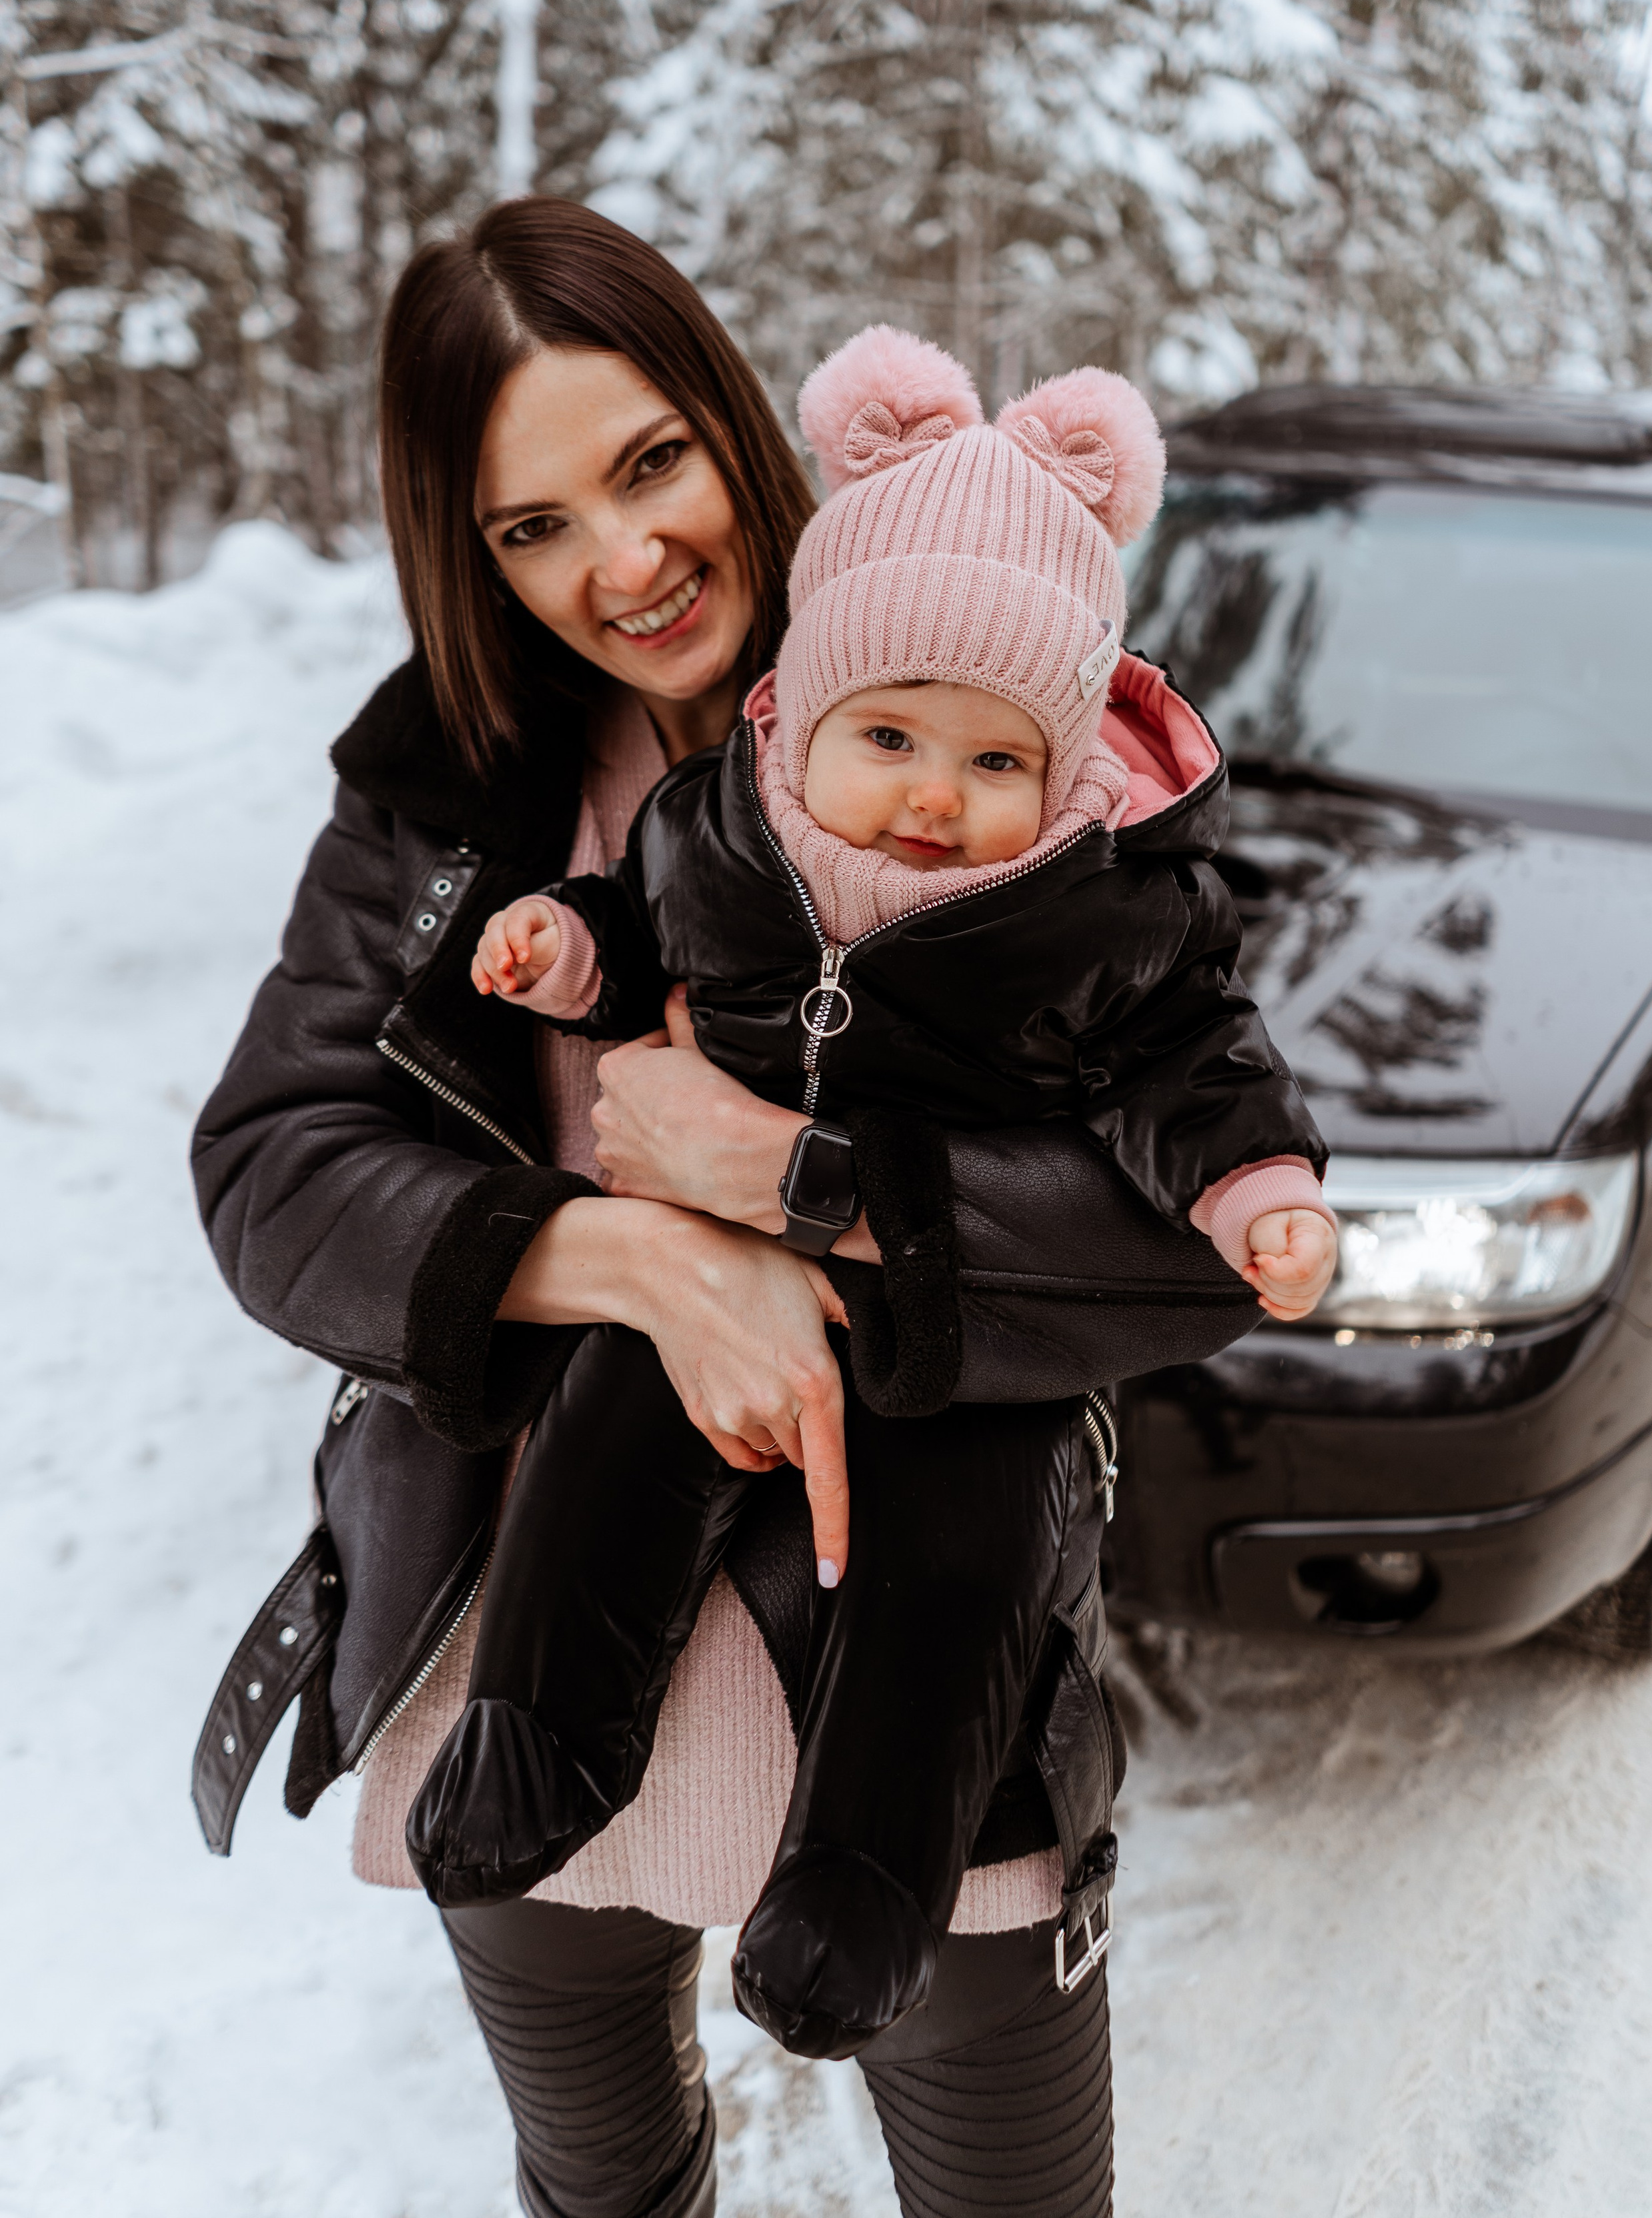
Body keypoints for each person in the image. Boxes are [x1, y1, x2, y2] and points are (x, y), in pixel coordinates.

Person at [191, 199, 1288, 2218]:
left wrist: (813, 1191)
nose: (619, 565)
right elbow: (271, 1163)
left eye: (647, 465)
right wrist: (639, 1255)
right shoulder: (448, 787)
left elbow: (1196, 1227)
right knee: (606, 2184)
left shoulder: (971, 691)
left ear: (736, 425)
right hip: (519, 1646)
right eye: (530, 529)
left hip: (916, 1696)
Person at [405, 325, 1336, 2065]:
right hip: (708, 1276)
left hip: (955, 1338)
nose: (935, 797)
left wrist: (1256, 1186)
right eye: (890, 734)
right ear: (801, 713)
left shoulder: (1098, 913)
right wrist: (570, 948)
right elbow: (644, 929)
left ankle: (865, 1882)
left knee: (962, 1575)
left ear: (1065, 770)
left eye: (998, 764)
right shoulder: (722, 831)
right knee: (608, 1442)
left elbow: (1191, 1061)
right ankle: (548, 1729)